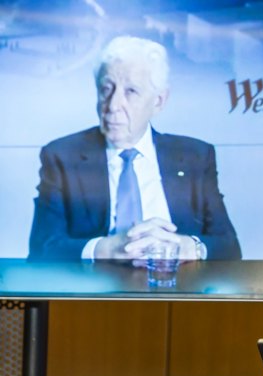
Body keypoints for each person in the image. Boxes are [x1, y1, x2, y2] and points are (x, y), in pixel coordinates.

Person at [28, 36, 241, 262]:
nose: (113, 105)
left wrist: (187, 247)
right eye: (106, 89)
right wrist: (105, 250)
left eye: (131, 91)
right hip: (94, 293)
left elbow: (230, 247)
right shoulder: (62, 155)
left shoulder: (194, 156)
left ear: (159, 101)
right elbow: (42, 248)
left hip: (175, 289)